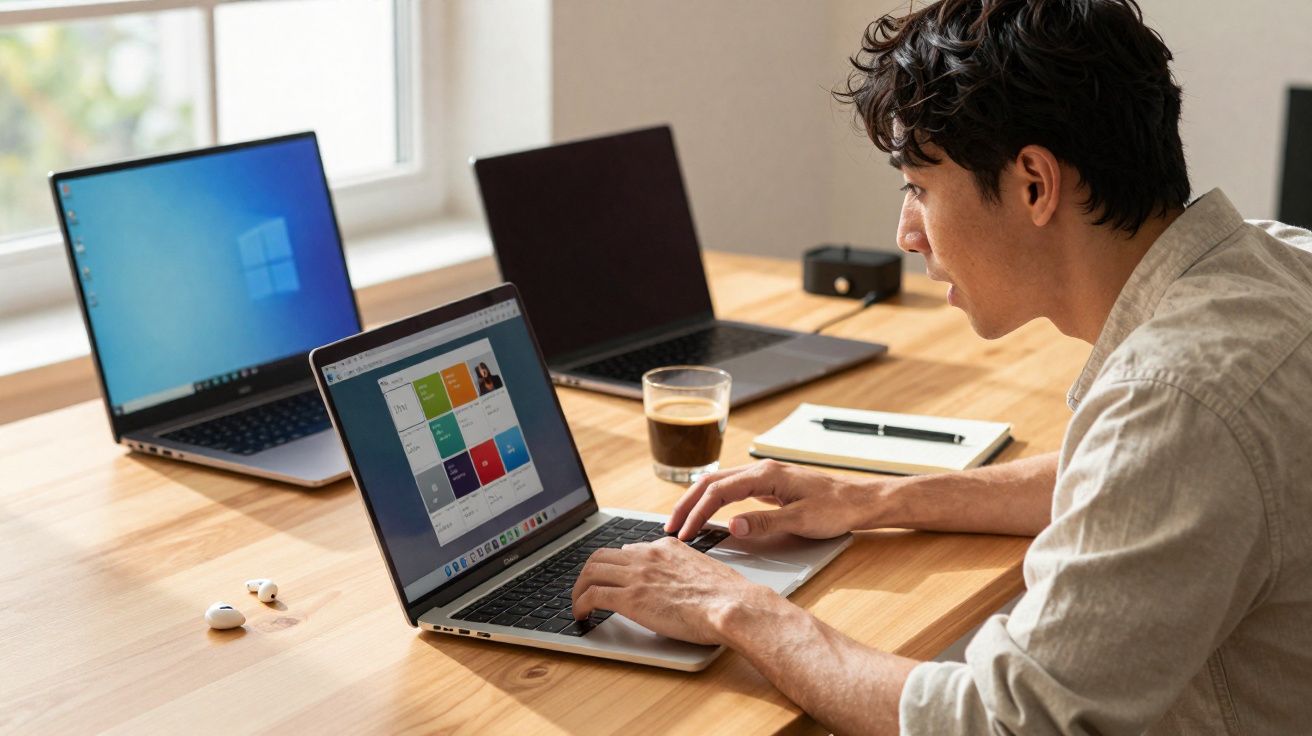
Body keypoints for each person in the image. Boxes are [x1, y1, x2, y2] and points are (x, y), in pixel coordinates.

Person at [570, 0, 1312, 733]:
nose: (906, 233)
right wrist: (877, 499)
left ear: (1034, 183)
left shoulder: (1175, 400)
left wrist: (735, 606)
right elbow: (1124, 482)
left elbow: (1001, 723)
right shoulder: (1274, 261)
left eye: (920, 189)